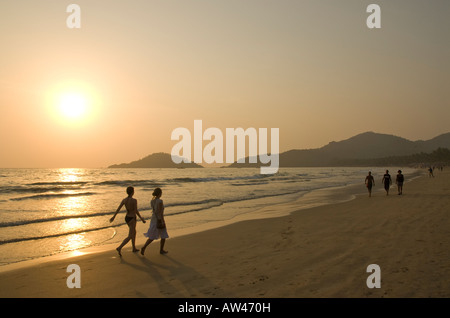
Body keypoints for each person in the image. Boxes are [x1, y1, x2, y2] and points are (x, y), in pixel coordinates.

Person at [110, 186, 146, 256]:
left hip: (127, 218)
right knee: (130, 235)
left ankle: (133, 248)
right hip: (132, 218)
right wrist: (141, 219)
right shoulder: (134, 200)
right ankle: (119, 247)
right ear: (132, 192)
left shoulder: (124, 200)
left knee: (134, 232)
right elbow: (135, 211)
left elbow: (118, 208)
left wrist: (114, 217)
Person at [141, 187, 169, 256]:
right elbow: (160, 212)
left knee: (152, 236)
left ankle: (144, 247)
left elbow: (155, 211)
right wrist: (162, 220)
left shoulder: (152, 201)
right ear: (160, 193)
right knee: (163, 234)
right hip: (159, 219)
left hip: (153, 219)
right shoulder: (160, 201)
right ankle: (161, 250)